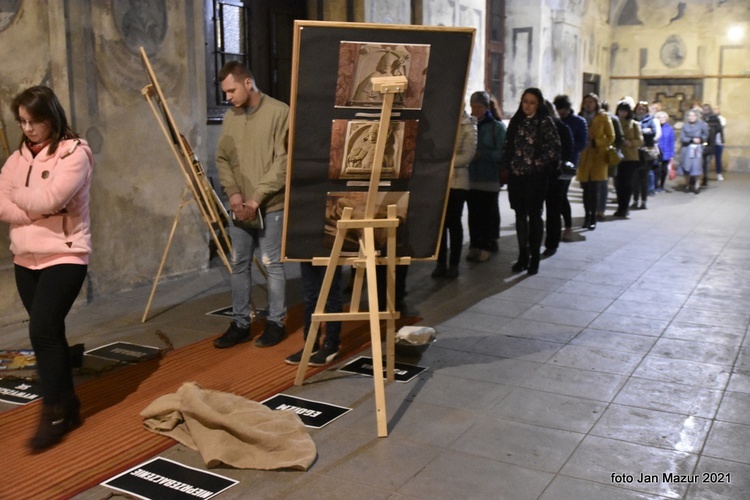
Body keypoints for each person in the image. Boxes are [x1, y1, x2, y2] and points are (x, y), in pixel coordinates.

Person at [0, 85, 93, 451]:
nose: (27, 129)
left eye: (34, 121)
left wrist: (23, 200)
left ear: (51, 118)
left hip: (65, 254)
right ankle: (69, 403)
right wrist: (35, 207)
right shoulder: (16, 159)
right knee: (50, 332)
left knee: (41, 331)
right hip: (25, 258)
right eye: (22, 121)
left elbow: (52, 198)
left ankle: (53, 412)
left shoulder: (75, 153)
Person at [214, 61, 289, 349]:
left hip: (271, 203)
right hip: (240, 205)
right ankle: (240, 323)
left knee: (273, 264)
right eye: (225, 92)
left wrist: (256, 197)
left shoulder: (279, 112)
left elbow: (283, 161)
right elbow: (222, 158)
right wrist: (233, 194)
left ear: (248, 83)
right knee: (238, 263)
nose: (228, 97)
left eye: (232, 90)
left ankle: (276, 323)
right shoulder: (231, 117)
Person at [502, 88, 560, 275]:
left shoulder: (545, 122)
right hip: (517, 175)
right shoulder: (516, 121)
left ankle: (534, 256)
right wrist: (508, 164)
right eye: (525, 101)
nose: (527, 105)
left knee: (534, 216)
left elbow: (554, 149)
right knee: (520, 215)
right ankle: (522, 255)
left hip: (536, 177)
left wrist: (536, 163)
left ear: (539, 104)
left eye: (532, 102)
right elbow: (508, 144)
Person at [432, 107, 477, 278]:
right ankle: (440, 262)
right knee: (440, 224)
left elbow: (467, 156)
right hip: (441, 182)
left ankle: (454, 264)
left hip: (458, 181)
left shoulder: (469, 125)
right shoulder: (443, 123)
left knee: (454, 222)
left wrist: (445, 161)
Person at [466, 91, 505, 262]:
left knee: (488, 213)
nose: (476, 110)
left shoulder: (497, 127)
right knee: (473, 214)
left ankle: (487, 244)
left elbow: (502, 153)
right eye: (473, 106)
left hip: (489, 177)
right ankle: (475, 245)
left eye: (479, 106)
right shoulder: (467, 125)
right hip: (471, 178)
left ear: (486, 107)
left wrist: (484, 154)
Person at [284, 264, 343, 366]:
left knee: (331, 294)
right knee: (310, 296)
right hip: (307, 251)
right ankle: (311, 344)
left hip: (331, 250)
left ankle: (331, 344)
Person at [576, 93, 615, 230]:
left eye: (591, 102)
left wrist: (597, 142)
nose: (588, 104)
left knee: (595, 190)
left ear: (596, 103)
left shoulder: (604, 117)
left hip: (598, 157)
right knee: (586, 190)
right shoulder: (579, 117)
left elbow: (611, 136)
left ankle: (593, 216)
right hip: (584, 157)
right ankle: (587, 215)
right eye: (586, 101)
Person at [553, 95, 587, 242]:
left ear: (567, 108)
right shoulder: (553, 121)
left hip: (568, 164)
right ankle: (554, 225)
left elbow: (581, 144)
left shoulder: (578, 122)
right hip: (552, 163)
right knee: (554, 196)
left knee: (561, 194)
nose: (560, 112)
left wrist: (566, 151)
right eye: (558, 109)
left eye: (562, 109)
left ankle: (567, 226)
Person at [542, 100, 573, 257]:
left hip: (555, 175)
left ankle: (552, 242)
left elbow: (569, 152)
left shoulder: (561, 128)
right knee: (535, 210)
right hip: (537, 174)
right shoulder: (532, 127)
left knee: (553, 209)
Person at [612, 101, 643, 217]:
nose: (622, 113)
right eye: (620, 111)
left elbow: (640, 140)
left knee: (627, 183)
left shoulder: (634, 124)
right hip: (617, 156)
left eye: (625, 111)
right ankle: (620, 206)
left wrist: (631, 143)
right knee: (618, 183)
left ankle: (625, 207)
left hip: (630, 157)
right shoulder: (614, 122)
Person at [632, 101, 661, 209]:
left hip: (645, 152)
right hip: (634, 151)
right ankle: (635, 200)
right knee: (634, 178)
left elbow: (653, 133)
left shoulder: (650, 120)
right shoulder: (633, 119)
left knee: (643, 177)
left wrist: (640, 131)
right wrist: (643, 131)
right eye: (639, 108)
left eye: (643, 109)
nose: (641, 111)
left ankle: (643, 200)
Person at [678, 108, 708, 193]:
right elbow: (682, 137)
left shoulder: (702, 125)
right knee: (686, 167)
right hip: (686, 148)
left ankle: (697, 185)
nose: (691, 117)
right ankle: (687, 184)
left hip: (697, 149)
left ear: (697, 116)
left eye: (693, 115)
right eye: (690, 115)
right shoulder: (685, 126)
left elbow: (705, 135)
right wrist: (691, 139)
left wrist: (701, 139)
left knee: (697, 167)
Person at [701, 104, 724, 187]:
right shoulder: (700, 117)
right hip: (702, 141)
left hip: (711, 142)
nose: (705, 110)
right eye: (704, 109)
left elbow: (719, 129)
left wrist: (721, 139)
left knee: (707, 161)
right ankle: (700, 177)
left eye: (706, 109)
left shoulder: (714, 118)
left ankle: (705, 178)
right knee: (700, 161)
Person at [655, 111, 675, 192]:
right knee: (656, 170)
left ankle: (662, 185)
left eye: (664, 117)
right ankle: (655, 186)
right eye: (660, 117)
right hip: (656, 152)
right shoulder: (655, 127)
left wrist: (672, 154)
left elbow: (671, 142)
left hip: (666, 152)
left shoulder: (669, 129)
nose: (662, 119)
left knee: (664, 170)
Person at [713, 106, 726, 181]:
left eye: (717, 109)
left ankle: (719, 174)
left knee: (718, 159)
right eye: (714, 109)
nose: (715, 111)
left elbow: (721, 126)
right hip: (711, 142)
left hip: (719, 142)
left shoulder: (722, 119)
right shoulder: (710, 119)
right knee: (707, 159)